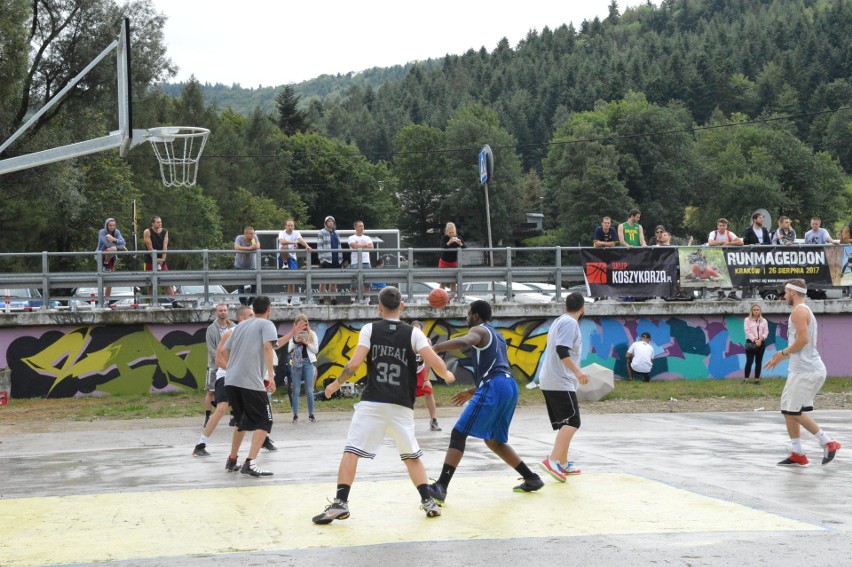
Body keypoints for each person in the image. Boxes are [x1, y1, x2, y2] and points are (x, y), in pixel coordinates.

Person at [312, 286, 456, 524]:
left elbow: (354, 364)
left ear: (379, 307)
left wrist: (335, 385)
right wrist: (447, 374)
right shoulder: (414, 333)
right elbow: (435, 360)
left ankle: (340, 502)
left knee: (351, 451)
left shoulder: (370, 329)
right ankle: (428, 501)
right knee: (411, 456)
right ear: (402, 306)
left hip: (373, 402)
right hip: (401, 404)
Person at [427, 300, 544, 504]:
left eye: (468, 314)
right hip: (508, 386)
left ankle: (441, 487)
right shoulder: (498, 335)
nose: (466, 318)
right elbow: (497, 366)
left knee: (459, 433)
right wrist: (474, 390)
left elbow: (465, 342)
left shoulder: (479, 330)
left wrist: (434, 348)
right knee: (494, 441)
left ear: (476, 316)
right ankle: (531, 478)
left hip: (495, 385)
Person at [218, 296, 302, 477]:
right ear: (269, 309)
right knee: (265, 420)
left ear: (253, 309)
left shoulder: (241, 326)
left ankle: (232, 460)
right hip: (250, 381)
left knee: (241, 422)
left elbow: (225, 350)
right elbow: (267, 347)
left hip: (232, 380)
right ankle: (250, 462)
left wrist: (292, 333)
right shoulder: (267, 324)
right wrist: (271, 375)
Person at [764, 280, 841, 466]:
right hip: (800, 369)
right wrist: (783, 356)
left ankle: (828, 442)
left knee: (794, 411)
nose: (783, 295)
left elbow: (804, 339)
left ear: (792, 292)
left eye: (785, 292)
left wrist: (783, 353)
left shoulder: (799, 312)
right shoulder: (801, 311)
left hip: (807, 371)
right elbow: (800, 342)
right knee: (788, 410)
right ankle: (797, 452)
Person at [538, 293, 588, 482]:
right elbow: (561, 349)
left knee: (565, 422)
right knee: (573, 421)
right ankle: (552, 461)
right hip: (560, 380)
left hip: (553, 379)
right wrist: (577, 372)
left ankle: (564, 463)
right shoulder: (569, 323)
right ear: (583, 308)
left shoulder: (560, 320)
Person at [193, 305, 249, 458]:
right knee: (221, 407)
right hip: (225, 375)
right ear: (242, 318)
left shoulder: (250, 334)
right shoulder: (229, 333)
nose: (254, 318)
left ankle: (258, 442)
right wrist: (233, 368)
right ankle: (200, 444)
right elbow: (218, 358)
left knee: (247, 412)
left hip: (241, 377)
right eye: (250, 315)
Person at [201, 303, 236, 431]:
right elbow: (211, 348)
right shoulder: (211, 329)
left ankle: (234, 415)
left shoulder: (234, 327)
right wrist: (220, 359)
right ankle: (207, 417)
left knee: (232, 390)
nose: (223, 312)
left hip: (230, 365)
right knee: (211, 391)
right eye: (220, 310)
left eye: (225, 310)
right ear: (216, 312)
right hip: (214, 365)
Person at [288, 313, 319, 423]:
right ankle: (295, 415)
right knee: (295, 390)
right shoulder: (292, 335)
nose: (303, 327)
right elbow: (289, 349)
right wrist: (296, 341)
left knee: (309, 391)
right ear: (296, 325)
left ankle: (311, 415)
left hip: (308, 363)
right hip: (296, 363)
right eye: (300, 324)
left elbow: (315, 350)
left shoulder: (312, 334)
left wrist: (306, 343)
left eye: (304, 324)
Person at [142, 216, 179, 306]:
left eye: (160, 222)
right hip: (150, 259)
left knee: (166, 281)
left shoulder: (165, 232)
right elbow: (149, 247)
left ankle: (174, 301)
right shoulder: (147, 232)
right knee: (150, 283)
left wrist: (162, 259)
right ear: (153, 223)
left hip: (161, 259)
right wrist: (155, 259)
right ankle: (152, 301)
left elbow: (165, 247)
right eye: (158, 222)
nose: (160, 224)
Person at [412, 320, 441, 432]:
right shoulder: (406, 340)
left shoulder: (426, 342)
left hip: (420, 370)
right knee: (409, 396)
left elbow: (429, 360)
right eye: (414, 329)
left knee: (428, 392)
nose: (416, 332)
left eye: (418, 330)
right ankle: (408, 419)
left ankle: (434, 420)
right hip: (408, 371)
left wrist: (426, 379)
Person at [278, 219, 313, 302]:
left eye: (292, 225)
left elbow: (301, 240)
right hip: (283, 256)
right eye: (288, 225)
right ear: (285, 226)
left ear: (294, 226)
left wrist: (307, 246)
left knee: (292, 281)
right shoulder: (282, 233)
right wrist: (293, 243)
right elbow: (282, 242)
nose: (290, 227)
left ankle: (289, 299)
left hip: (293, 257)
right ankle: (285, 263)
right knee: (284, 247)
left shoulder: (296, 233)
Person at [96, 217, 127, 300]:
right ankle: (100, 301)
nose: (112, 227)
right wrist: (121, 247)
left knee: (110, 282)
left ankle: (107, 300)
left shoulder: (117, 232)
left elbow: (123, 241)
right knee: (101, 280)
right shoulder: (102, 232)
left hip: (111, 258)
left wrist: (114, 239)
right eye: (110, 225)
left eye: (113, 225)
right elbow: (107, 245)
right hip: (101, 256)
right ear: (107, 225)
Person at [317, 215, 342, 304]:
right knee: (323, 280)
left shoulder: (337, 233)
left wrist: (341, 258)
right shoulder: (322, 232)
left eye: (332, 221)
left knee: (334, 280)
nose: (330, 223)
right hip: (327, 259)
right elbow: (319, 246)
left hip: (336, 259)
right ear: (326, 223)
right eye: (329, 221)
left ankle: (333, 298)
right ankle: (321, 298)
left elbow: (339, 245)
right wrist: (322, 259)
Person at [348, 220, 373, 302]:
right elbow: (354, 246)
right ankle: (352, 300)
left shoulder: (367, 237)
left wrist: (360, 246)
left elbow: (371, 247)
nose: (362, 228)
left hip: (366, 262)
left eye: (362, 226)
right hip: (355, 262)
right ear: (355, 227)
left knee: (367, 283)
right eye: (360, 226)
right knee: (354, 283)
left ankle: (367, 300)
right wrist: (365, 245)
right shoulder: (351, 237)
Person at [743, 303, 768, 385]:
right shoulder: (747, 320)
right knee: (749, 361)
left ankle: (756, 379)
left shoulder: (764, 321)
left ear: (760, 311)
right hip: (750, 342)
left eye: (758, 310)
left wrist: (760, 339)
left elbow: (766, 332)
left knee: (759, 361)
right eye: (754, 310)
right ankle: (746, 379)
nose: (756, 311)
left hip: (761, 343)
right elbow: (747, 331)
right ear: (752, 311)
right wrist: (755, 340)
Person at [234, 226, 260, 305]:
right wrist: (249, 249)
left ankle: (250, 302)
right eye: (251, 233)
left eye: (253, 233)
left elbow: (257, 246)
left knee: (255, 285)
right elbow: (236, 247)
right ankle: (243, 303)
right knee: (240, 286)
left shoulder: (254, 238)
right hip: (239, 265)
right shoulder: (239, 238)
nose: (253, 235)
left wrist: (246, 249)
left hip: (251, 266)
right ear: (245, 234)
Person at [439, 222, 465, 294]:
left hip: (453, 262)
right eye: (450, 233)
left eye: (453, 232)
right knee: (443, 281)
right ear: (447, 232)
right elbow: (442, 248)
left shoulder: (458, 237)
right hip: (444, 262)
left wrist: (460, 244)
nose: (451, 234)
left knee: (453, 281)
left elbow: (465, 247)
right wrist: (448, 243)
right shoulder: (444, 238)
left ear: (455, 231)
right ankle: (442, 296)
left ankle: (452, 297)